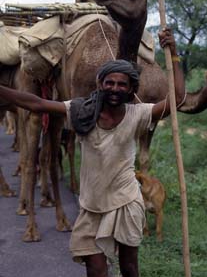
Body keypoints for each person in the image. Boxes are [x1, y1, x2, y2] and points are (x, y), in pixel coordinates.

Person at [0, 28, 185, 277]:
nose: (115, 88)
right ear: (100, 84)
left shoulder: (137, 114)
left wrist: (173, 53)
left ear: (131, 89)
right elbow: (37, 103)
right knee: (95, 269)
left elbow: (178, 98)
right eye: (110, 82)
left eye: (122, 84)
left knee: (130, 267)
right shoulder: (80, 111)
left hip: (126, 203)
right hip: (91, 206)